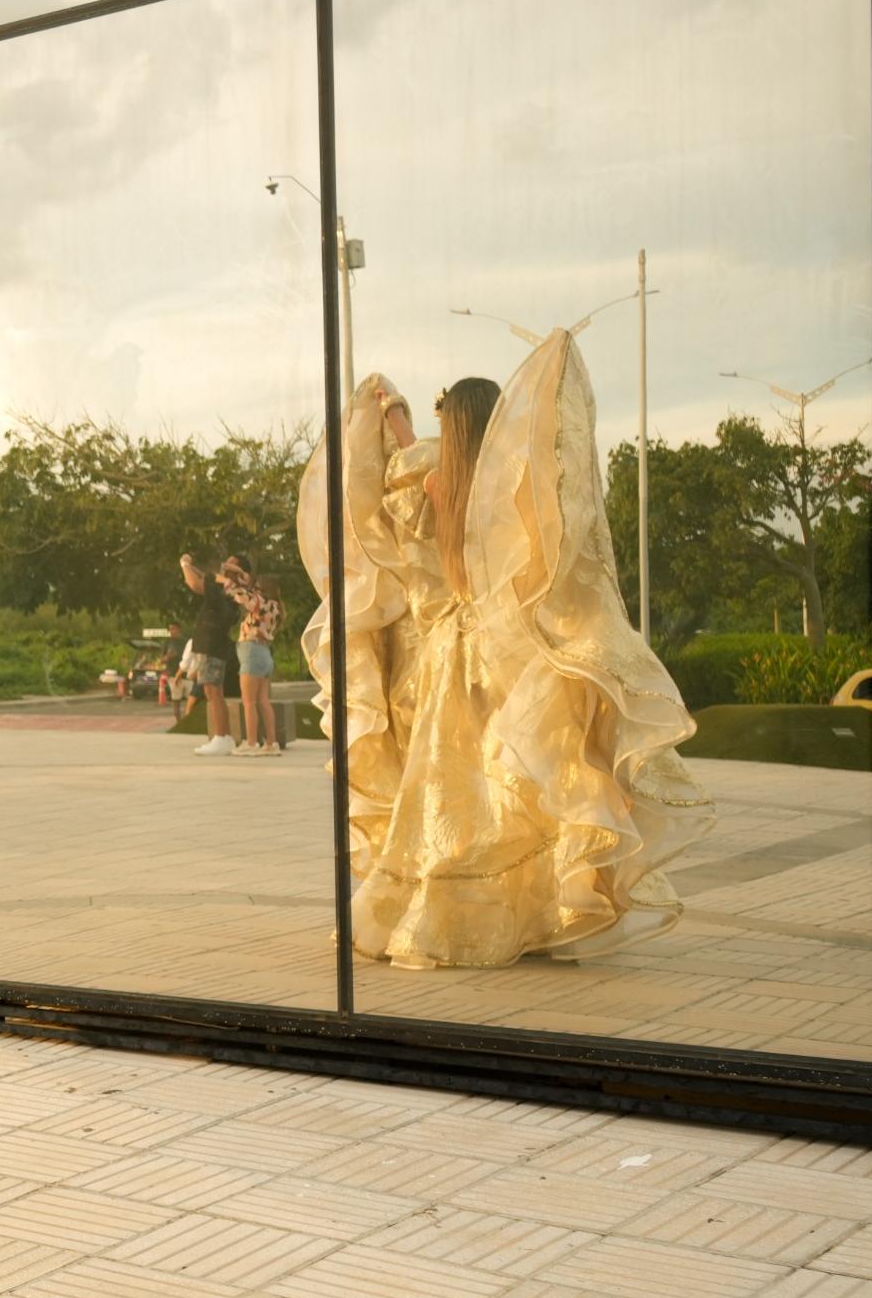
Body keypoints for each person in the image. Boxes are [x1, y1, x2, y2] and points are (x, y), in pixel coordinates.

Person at [298, 346, 712, 969]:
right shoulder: (506, 493)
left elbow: (396, 478)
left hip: (445, 659)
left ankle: (442, 918)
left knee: (449, 803)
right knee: (517, 795)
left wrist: (396, 421)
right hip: (507, 652)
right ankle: (538, 918)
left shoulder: (424, 486)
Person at [216, 556, 283, 757]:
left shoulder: (260, 601)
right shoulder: (275, 606)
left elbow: (241, 595)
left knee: (249, 702)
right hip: (264, 653)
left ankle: (251, 742)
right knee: (263, 700)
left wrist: (225, 581)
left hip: (251, 651)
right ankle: (271, 743)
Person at [179, 549, 237, 756]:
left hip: (212, 644)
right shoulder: (226, 588)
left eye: (231, 563)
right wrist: (191, 567)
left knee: (213, 691)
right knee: (211, 691)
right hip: (212, 644)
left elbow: (195, 584)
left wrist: (184, 564)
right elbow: (203, 578)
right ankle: (222, 737)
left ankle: (222, 737)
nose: (225, 565)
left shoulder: (225, 587)